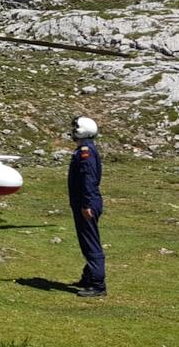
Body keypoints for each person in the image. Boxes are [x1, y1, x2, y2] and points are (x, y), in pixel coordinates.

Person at [68, 116, 106, 297]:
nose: (72, 131)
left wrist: (87, 204)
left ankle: (98, 285)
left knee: (91, 243)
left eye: (75, 128)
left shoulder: (86, 152)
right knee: (87, 241)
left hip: (86, 203)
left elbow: (88, 180)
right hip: (85, 201)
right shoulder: (86, 149)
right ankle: (88, 277)